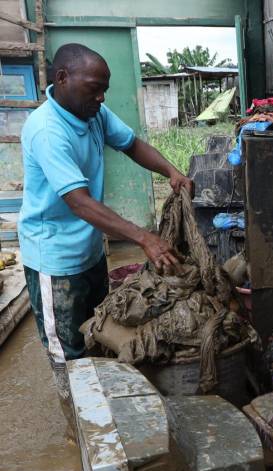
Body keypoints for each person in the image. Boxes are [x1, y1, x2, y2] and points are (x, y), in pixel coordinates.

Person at [19, 43, 193, 437]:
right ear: (63, 78)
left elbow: (131, 144)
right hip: (54, 260)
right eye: (94, 88)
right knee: (67, 353)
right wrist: (144, 237)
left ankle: (104, 409)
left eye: (104, 90)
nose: (101, 98)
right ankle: (81, 432)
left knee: (99, 329)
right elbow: (79, 201)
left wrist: (171, 171)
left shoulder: (91, 111)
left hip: (90, 251)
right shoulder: (47, 130)